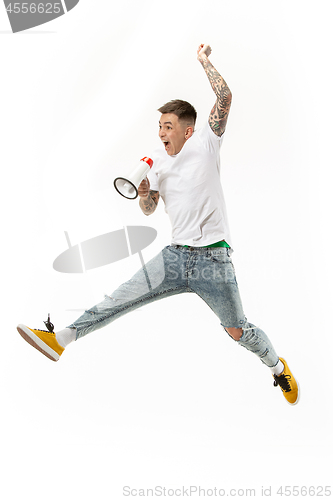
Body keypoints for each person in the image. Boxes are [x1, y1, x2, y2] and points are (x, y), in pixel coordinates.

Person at [17, 44, 299, 405]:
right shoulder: (159, 166)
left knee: (237, 330)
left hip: (214, 263)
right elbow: (150, 209)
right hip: (174, 258)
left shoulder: (207, 143)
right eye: (159, 127)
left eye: (168, 126)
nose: (161, 132)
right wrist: (145, 192)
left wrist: (204, 61)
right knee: (118, 299)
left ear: (188, 129)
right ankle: (62, 339)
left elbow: (225, 95)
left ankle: (276, 367)